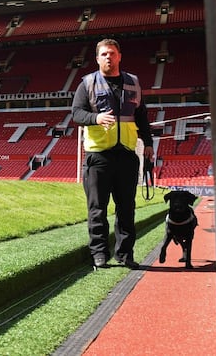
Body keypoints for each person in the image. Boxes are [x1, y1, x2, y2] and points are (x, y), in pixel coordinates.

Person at [71, 38, 154, 269]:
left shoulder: (133, 82)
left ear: (119, 56)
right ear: (98, 59)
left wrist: (148, 143)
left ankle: (125, 254)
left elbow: (142, 116)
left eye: (112, 53)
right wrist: (95, 118)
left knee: (126, 208)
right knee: (97, 208)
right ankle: (99, 254)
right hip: (98, 156)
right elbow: (76, 113)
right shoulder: (87, 83)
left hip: (127, 155)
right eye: (104, 54)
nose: (109, 57)